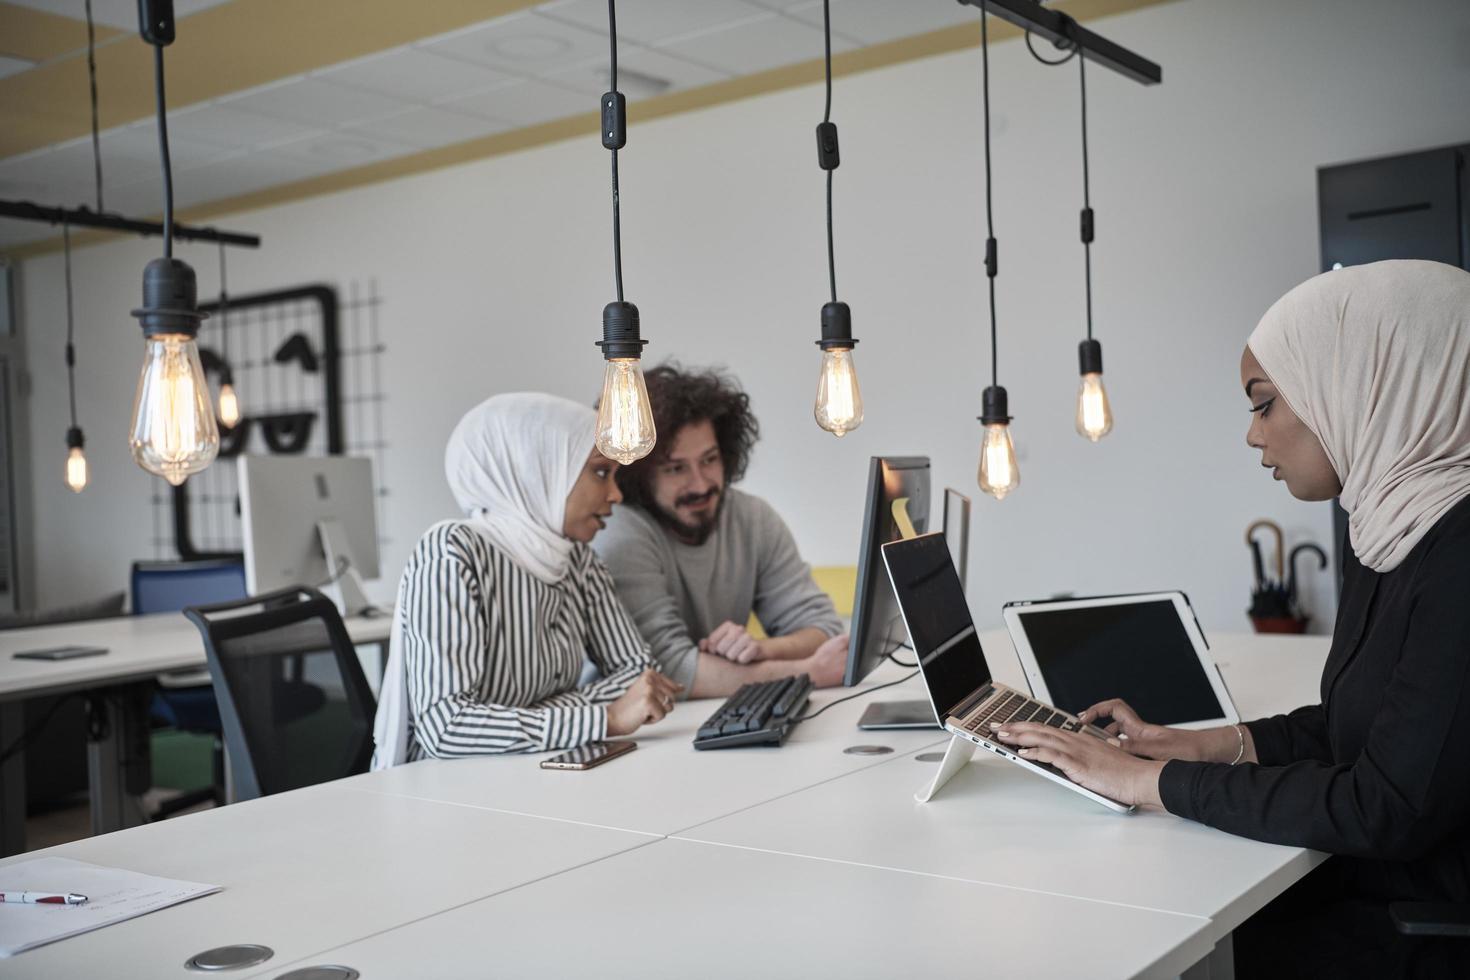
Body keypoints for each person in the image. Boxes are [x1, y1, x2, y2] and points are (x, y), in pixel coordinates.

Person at [991, 260, 1470, 977]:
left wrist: (1143, 784)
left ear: (1365, 383)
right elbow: (1362, 729)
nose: (1254, 435)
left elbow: (1385, 803)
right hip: (1377, 888)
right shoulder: (1390, 525)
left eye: (1265, 402)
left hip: (1417, 929)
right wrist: (1190, 746)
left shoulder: (1458, 553)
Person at [371, 393, 681, 767]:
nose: (616, 494)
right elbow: (446, 727)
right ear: (541, 471)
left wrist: (516, 717)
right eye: (601, 472)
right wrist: (605, 717)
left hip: (534, 770)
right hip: (446, 789)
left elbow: (638, 678)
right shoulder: (453, 551)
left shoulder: (577, 559)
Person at [592, 364, 848, 699]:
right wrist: (809, 671)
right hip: (640, 734)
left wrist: (762, 650)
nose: (700, 484)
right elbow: (666, 671)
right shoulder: (620, 532)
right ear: (639, 473)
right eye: (676, 468)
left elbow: (824, 629)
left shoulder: (752, 518)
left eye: (710, 459)